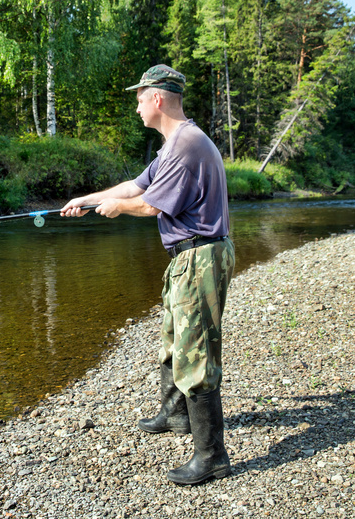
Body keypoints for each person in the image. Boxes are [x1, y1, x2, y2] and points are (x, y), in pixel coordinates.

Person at [60, 64, 235, 485]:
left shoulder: (186, 145)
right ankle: (176, 415)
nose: (136, 106)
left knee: (196, 354)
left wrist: (118, 209)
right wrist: (87, 199)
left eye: (139, 97)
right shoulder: (173, 144)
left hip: (201, 257)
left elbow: (152, 206)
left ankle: (213, 456)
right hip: (188, 257)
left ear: (157, 98)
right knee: (175, 338)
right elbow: (134, 187)